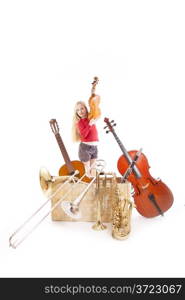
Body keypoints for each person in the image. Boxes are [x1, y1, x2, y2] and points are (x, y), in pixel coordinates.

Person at [72, 100, 99, 178]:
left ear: (86, 108)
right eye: (77, 110)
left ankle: (93, 185)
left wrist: (93, 90)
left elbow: (94, 106)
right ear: (76, 113)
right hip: (85, 148)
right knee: (87, 169)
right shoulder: (80, 122)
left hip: (94, 147)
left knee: (93, 168)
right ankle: (87, 184)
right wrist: (90, 124)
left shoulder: (90, 117)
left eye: (82, 108)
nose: (80, 111)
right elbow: (84, 135)